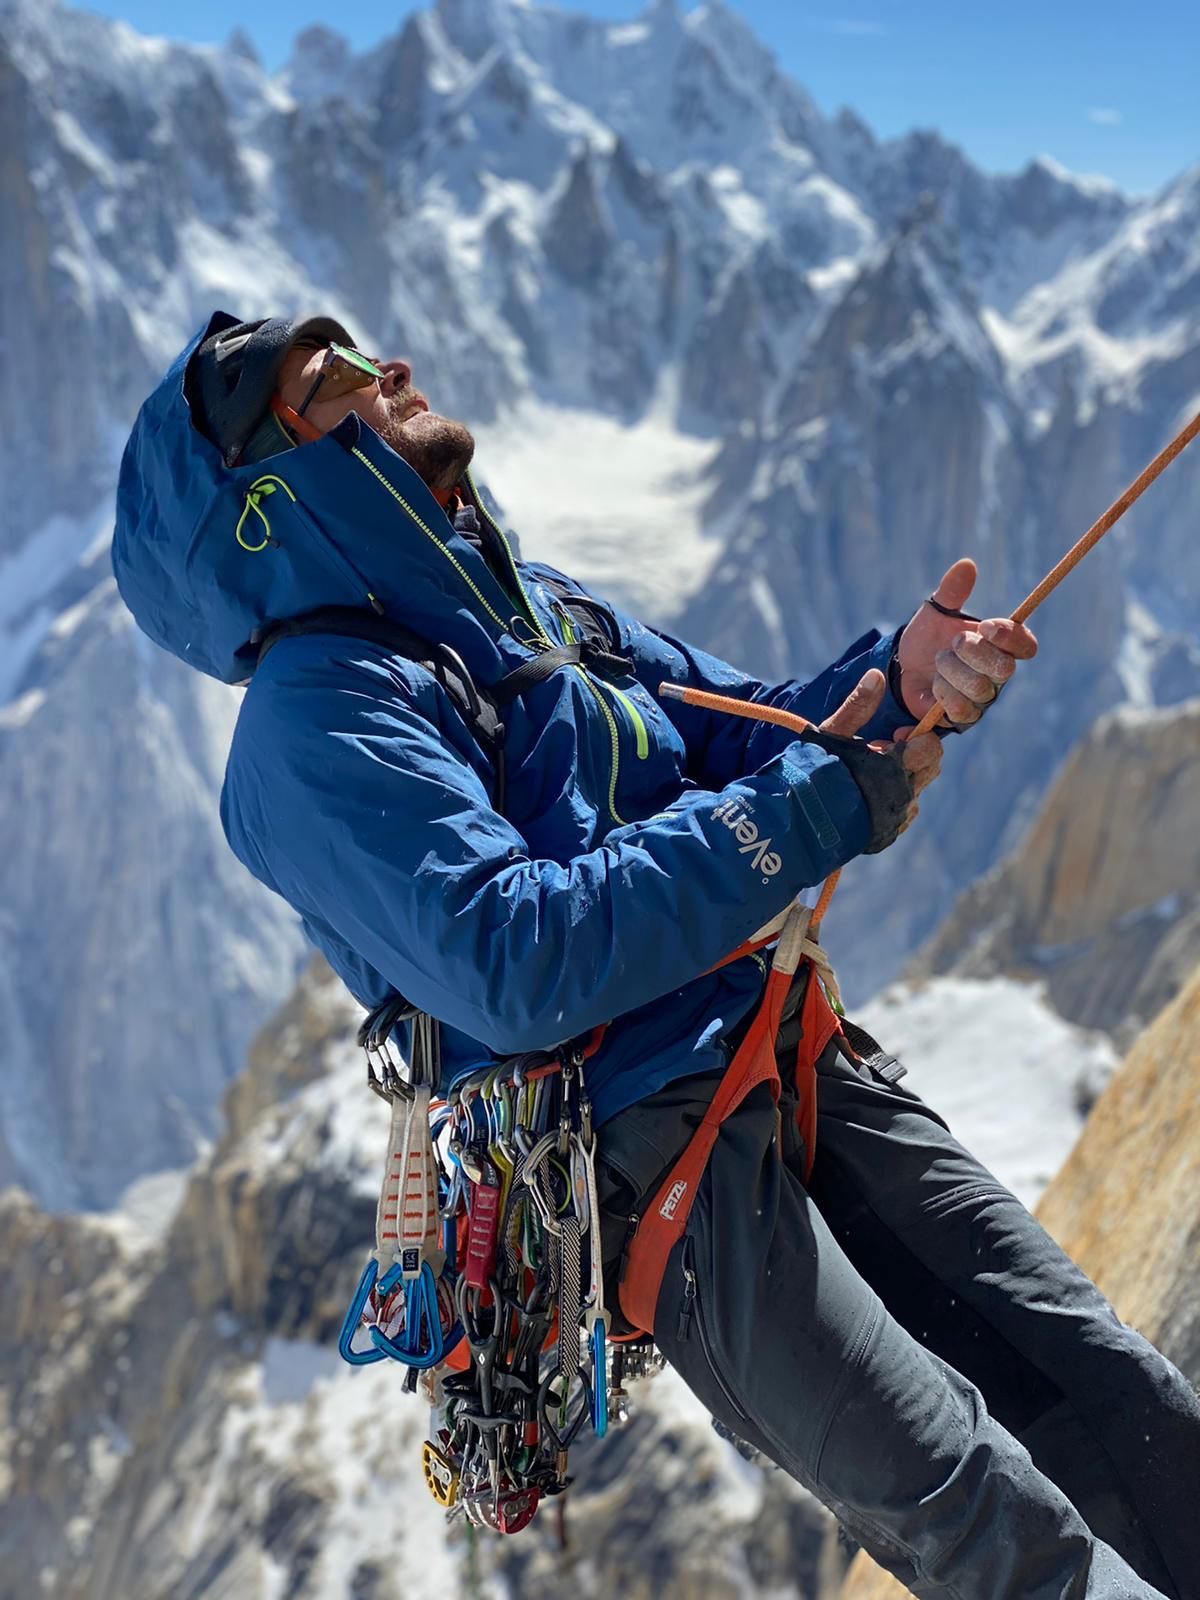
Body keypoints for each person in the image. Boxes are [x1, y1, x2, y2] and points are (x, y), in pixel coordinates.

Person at [114, 312, 1200, 1599]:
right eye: (331, 378)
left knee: (1101, 1381)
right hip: (653, 1168)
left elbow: (754, 733)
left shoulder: (526, 604)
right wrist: (815, 801)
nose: (387, 367)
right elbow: (517, 959)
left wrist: (893, 685)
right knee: (971, 1506)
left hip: (782, 1057)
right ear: (267, 501)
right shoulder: (319, 724)